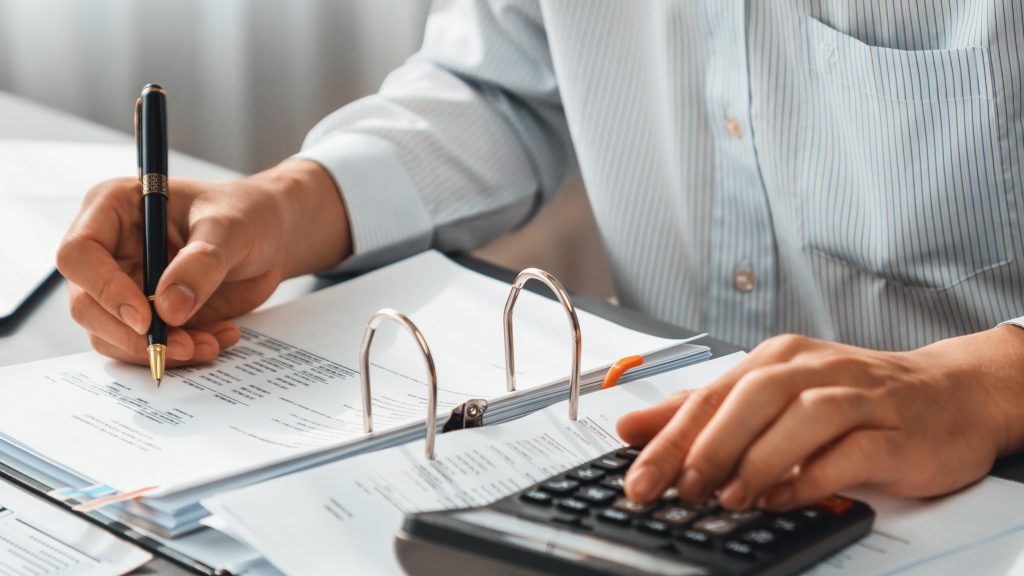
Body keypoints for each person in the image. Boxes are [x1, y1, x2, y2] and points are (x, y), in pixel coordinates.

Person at [57, 1, 1024, 513]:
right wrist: (288, 203)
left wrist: (980, 384)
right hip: (660, 467)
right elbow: (501, 84)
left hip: (976, 492)